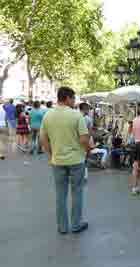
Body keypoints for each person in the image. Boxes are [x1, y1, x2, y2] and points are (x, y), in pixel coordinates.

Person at [40, 86, 90, 234]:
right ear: (67, 98)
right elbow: (84, 138)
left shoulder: (48, 115)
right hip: (76, 161)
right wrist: (87, 151)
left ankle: (62, 227)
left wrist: (51, 155)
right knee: (77, 192)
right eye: (73, 98)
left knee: (60, 194)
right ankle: (76, 224)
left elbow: (43, 139)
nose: (74, 101)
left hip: (58, 161)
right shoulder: (76, 116)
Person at [79, 102, 108, 169]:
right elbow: (90, 132)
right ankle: (101, 164)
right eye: (88, 109)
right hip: (85, 142)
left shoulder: (75, 117)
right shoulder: (88, 119)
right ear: (85, 109)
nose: (89, 111)